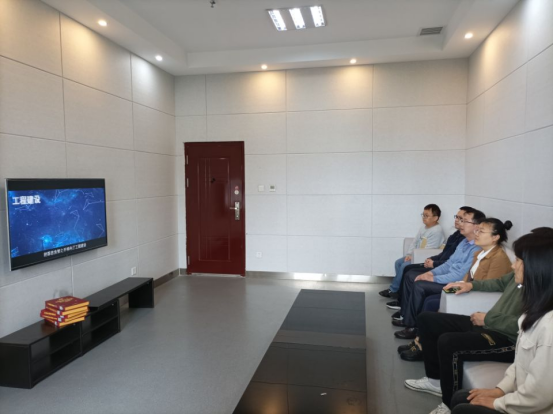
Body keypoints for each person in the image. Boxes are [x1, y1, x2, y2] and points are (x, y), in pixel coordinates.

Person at [402, 230, 553, 414]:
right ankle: (435, 382)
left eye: (519, 261)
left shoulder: (545, 313)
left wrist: (488, 318)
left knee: (449, 342)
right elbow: (498, 283)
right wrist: (470, 285)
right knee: (428, 319)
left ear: (538, 267)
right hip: (490, 324)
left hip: (505, 337)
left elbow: (521, 329)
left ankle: (448, 404)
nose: (513, 265)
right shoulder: (524, 283)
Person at [398, 218, 514, 361]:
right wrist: (457, 285)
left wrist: (460, 287)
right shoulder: (479, 253)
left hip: (477, 297)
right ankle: (420, 341)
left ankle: (422, 345)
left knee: (431, 302)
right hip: (468, 290)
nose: (477, 234)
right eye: (477, 230)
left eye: (481, 231)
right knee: (431, 299)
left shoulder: (498, 259)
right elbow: (467, 276)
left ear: (495, 237)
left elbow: (490, 287)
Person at [393, 209, 485, 340]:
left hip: (456, 284)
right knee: (416, 277)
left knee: (419, 285)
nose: (460, 223)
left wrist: (433, 278)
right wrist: (430, 273)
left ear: (477, 226)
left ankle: (412, 326)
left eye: (465, 221)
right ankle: (410, 321)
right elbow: (448, 263)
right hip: (448, 277)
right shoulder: (464, 242)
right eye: (460, 219)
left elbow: (460, 275)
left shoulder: (477, 248)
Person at [385, 207, 470, 311]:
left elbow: (457, 273)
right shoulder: (460, 238)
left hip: (454, 281)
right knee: (407, 269)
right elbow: (447, 258)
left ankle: (402, 306)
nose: (457, 220)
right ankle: (402, 304)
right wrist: (431, 260)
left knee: (412, 276)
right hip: (443, 269)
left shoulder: (471, 246)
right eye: (457, 217)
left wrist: (433, 273)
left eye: (462, 219)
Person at [379, 204, 445, 299]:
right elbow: (415, 241)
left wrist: (413, 257)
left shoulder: (437, 231)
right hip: (416, 255)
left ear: (435, 218)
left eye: (427, 216)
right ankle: (399, 289)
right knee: (398, 262)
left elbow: (429, 251)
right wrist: (409, 254)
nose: (424, 217)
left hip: (425, 259)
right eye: (423, 215)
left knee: (404, 266)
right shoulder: (423, 227)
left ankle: (393, 290)